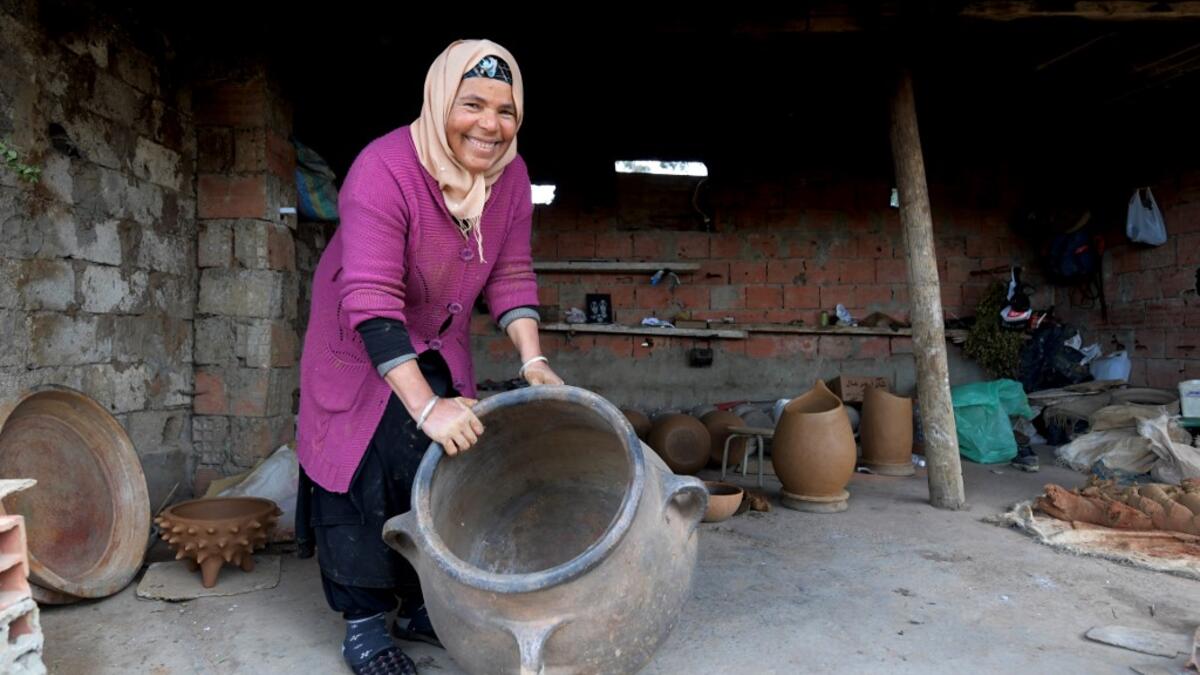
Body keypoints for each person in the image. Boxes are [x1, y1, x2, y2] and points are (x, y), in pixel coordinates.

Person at [294, 39, 563, 675]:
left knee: (440, 463)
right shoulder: (384, 169)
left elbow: (512, 272)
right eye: (473, 104)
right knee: (365, 469)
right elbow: (371, 298)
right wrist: (425, 405)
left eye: (505, 110)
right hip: (360, 337)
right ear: (441, 102)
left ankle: (418, 604)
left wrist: (532, 361)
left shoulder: (511, 177)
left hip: (436, 334)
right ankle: (363, 624)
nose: (490, 126)